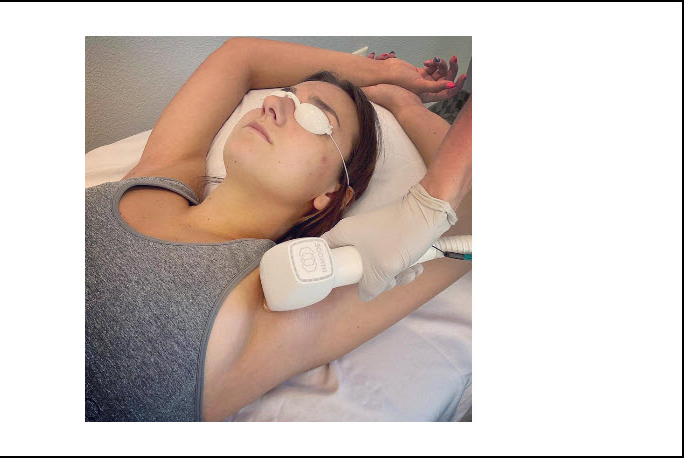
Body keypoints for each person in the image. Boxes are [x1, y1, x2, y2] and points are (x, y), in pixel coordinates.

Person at [85, 37, 472, 422]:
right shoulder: (158, 179)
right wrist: (383, 73)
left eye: (315, 115)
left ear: (332, 193)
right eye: (287, 94)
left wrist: (404, 107)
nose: (273, 102)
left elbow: (474, 210)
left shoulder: (277, 307)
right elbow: (241, 57)